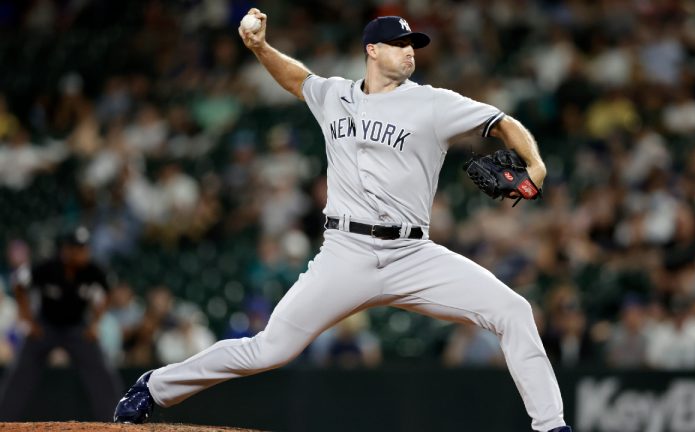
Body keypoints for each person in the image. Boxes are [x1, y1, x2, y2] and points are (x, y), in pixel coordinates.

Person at [114, 11, 571, 432]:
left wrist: (536, 164)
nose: (410, 50)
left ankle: (551, 427)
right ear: (372, 50)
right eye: (398, 43)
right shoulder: (334, 95)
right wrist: (259, 47)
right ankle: (154, 387)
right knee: (270, 349)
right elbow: (298, 80)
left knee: (513, 310)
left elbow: (502, 121)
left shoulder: (434, 103)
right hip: (345, 254)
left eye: (413, 44)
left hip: (413, 254)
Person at [0, 226, 122, 421]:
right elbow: (18, 284)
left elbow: (109, 292)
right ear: (66, 249)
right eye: (78, 248)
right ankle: (3, 420)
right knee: (20, 373)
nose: (83, 253)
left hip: (76, 327)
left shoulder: (93, 270)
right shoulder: (47, 267)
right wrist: (27, 319)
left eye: (85, 248)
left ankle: (115, 420)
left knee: (101, 373)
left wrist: (95, 322)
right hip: (46, 326)